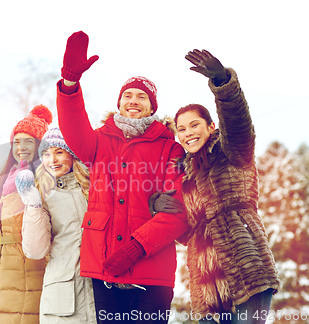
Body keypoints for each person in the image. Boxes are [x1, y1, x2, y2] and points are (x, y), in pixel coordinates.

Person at [56, 31, 190, 323]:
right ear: (118, 103)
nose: (133, 100)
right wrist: (70, 83)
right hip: (103, 267)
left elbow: (178, 210)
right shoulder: (99, 141)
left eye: (142, 96)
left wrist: (136, 247)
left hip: (152, 271)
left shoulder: (171, 149)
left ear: (152, 107)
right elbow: (73, 128)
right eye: (127, 95)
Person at [153, 49, 280, 323]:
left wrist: (223, 84)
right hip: (207, 283)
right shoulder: (185, 177)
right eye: (182, 129)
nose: (188, 133)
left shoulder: (231, 151)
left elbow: (238, 123)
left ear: (210, 126)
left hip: (246, 269)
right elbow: (187, 234)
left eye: (194, 125)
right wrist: (160, 207)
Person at [15, 127, 96, 323]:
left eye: (59, 152)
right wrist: (33, 206)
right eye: (46, 154)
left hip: (99, 291)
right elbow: (35, 251)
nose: (53, 160)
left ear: (73, 155)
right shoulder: (42, 194)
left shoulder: (93, 187)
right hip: (63, 295)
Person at [0, 105, 52, 324]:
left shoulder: (44, 179)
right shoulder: (5, 180)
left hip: (27, 272)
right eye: (16, 141)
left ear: (41, 146)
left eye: (29, 141)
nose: (21, 147)